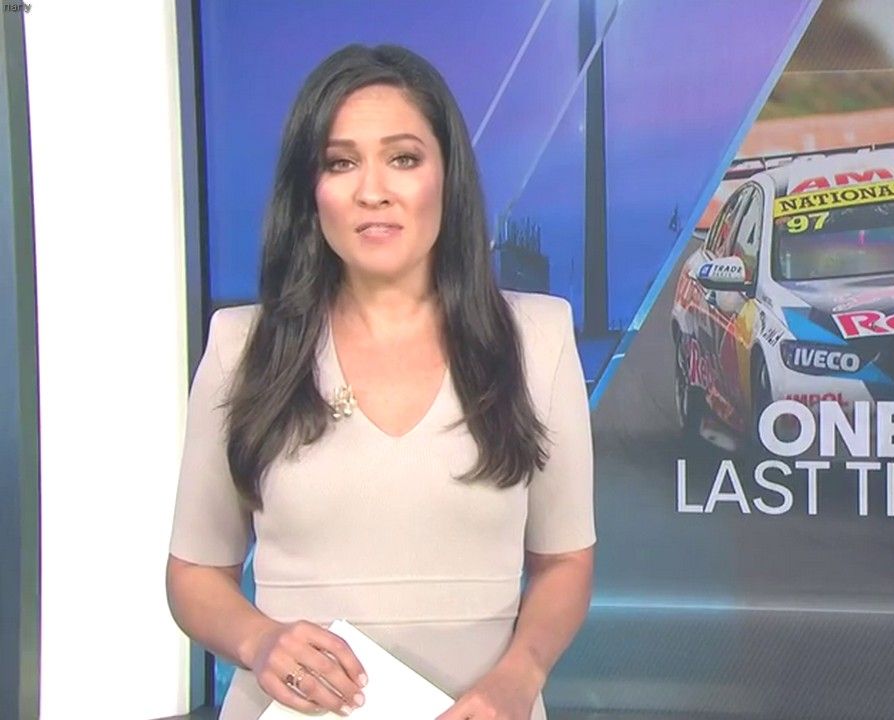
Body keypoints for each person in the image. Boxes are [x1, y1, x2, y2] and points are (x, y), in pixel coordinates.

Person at [166, 44, 595, 720]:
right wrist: (259, 640)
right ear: (310, 190)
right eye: (341, 163)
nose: (373, 190)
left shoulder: (537, 340)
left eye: (403, 158)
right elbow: (194, 573)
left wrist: (520, 678)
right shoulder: (242, 349)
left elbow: (565, 562)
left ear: (446, 176)